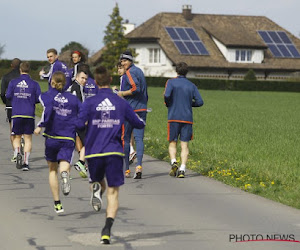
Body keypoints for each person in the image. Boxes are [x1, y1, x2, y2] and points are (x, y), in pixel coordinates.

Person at [77, 66, 145, 244]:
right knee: (113, 193)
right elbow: (137, 123)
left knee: (98, 182)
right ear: (110, 81)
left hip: (93, 152)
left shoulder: (89, 102)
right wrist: (141, 121)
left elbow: (78, 124)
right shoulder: (120, 102)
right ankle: (106, 230)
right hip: (114, 151)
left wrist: (89, 126)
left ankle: (97, 188)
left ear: (96, 83)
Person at [34, 72, 81, 214]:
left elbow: (47, 112)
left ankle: (57, 203)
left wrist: (40, 126)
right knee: (65, 162)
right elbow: (83, 113)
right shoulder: (73, 99)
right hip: (68, 137)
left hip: (52, 137)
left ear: (52, 82)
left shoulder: (47, 96)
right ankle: (65, 174)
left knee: (52, 170)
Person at [164, 62, 204, 178]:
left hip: (173, 117)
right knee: (184, 145)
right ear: (187, 72)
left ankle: (173, 162)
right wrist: (189, 104)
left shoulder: (170, 82)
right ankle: (182, 169)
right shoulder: (192, 85)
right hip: (187, 119)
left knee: (172, 143)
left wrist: (168, 103)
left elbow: (166, 96)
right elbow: (200, 102)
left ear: (176, 71)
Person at [117, 50, 148, 179]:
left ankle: (127, 170)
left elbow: (136, 88)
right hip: (142, 109)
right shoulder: (140, 71)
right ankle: (139, 166)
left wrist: (122, 93)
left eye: (124, 61)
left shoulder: (129, 72)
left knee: (126, 138)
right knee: (139, 138)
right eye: (121, 61)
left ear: (129, 61)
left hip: (130, 110)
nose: (122, 64)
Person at [6, 61, 41, 170]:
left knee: (16, 136)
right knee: (28, 139)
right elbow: (38, 98)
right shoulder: (34, 84)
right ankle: (25, 162)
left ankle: (17, 153)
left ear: (20, 70)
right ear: (29, 70)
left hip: (17, 113)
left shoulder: (13, 82)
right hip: (29, 114)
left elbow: (8, 95)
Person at [112, 62, 136, 175]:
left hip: (124, 109)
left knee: (123, 134)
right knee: (128, 132)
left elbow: (122, 94)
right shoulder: (125, 77)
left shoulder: (124, 78)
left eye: (120, 68)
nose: (119, 70)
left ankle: (130, 152)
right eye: (118, 68)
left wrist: (115, 91)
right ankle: (131, 150)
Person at [66, 67, 88, 178]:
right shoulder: (78, 89)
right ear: (76, 77)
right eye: (82, 78)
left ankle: (66, 171)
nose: (84, 80)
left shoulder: (70, 87)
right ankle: (81, 163)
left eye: (85, 79)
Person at [1, 58, 21, 162]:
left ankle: (15, 153)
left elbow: (2, 93)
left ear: (11, 65)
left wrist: (6, 102)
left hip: (11, 106)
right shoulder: (24, 77)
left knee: (12, 129)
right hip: (23, 106)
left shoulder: (6, 77)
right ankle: (21, 141)